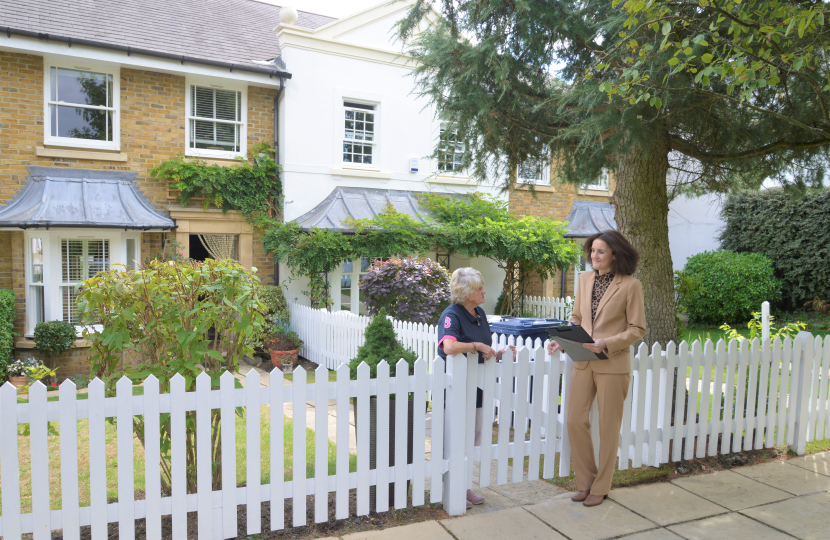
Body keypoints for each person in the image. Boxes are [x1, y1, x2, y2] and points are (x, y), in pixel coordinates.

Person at [547, 230, 646, 507]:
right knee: (574, 420)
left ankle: (600, 487)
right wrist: (564, 341)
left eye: (601, 251)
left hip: (613, 364)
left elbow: (638, 329)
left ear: (615, 254)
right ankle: (585, 483)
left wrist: (607, 343)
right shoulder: (584, 279)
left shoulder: (630, 285)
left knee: (608, 427)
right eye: (592, 251)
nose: (594, 256)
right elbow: (577, 317)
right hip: (583, 361)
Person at [437, 267, 515, 509]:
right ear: (465, 292)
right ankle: (452, 489)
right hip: (457, 388)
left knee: (474, 437)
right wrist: (476, 345)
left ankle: (465, 487)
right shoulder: (452, 315)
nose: (484, 291)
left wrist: (498, 354)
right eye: (478, 288)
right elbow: (449, 346)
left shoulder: (479, 312)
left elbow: (484, 350)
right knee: (456, 438)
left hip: (478, 388)